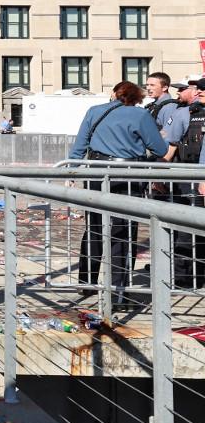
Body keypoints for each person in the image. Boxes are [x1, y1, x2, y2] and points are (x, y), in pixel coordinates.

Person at [68, 81, 168, 308]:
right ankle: (118, 287)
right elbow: (160, 149)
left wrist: (70, 171)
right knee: (123, 230)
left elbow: (80, 144)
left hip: (96, 172)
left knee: (94, 227)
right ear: (137, 98)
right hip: (128, 174)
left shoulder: (94, 111)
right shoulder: (140, 115)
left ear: (114, 94)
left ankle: (87, 281)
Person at [160, 76, 205, 287]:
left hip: (191, 177)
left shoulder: (184, 113)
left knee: (187, 228)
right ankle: (185, 276)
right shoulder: (185, 113)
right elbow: (171, 146)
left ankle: (187, 278)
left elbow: (169, 147)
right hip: (189, 177)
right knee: (187, 229)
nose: (199, 92)